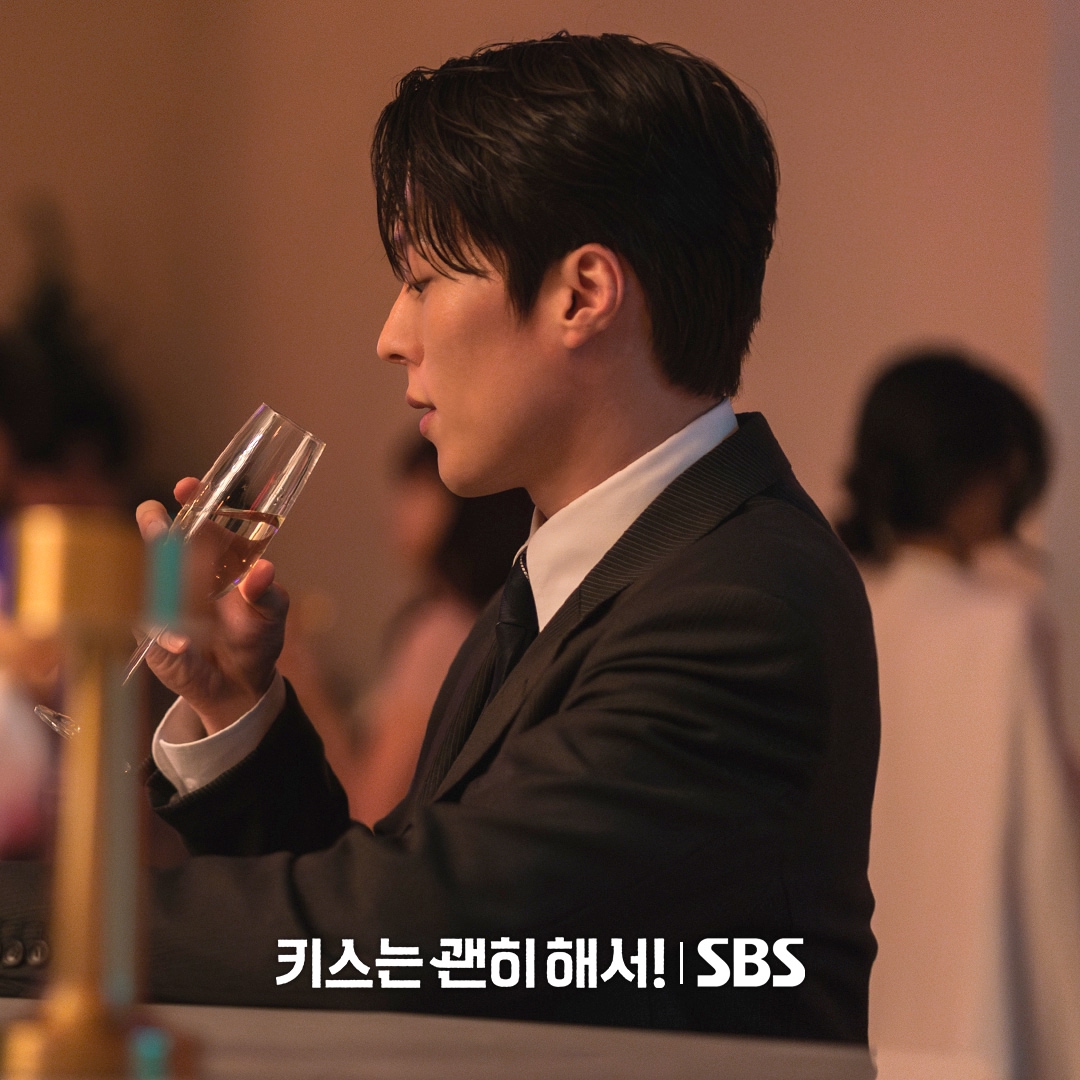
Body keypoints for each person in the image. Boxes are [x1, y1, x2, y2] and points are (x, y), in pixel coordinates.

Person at [0, 33, 879, 1040]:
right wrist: (233, 703)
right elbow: (405, 915)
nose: (392, 336)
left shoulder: (738, 600)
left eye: (423, 279)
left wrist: (34, 922)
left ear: (582, 295)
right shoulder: (569, 578)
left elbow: (429, 935)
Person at [837, 350, 1080, 1078]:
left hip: (853, 1008)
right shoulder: (1005, 627)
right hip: (978, 1017)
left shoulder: (842, 610)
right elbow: (1048, 862)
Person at [279, 436, 533, 825]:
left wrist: (297, 676)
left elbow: (369, 813)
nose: (396, 508)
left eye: (418, 486)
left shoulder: (443, 630)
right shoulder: (484, 618)